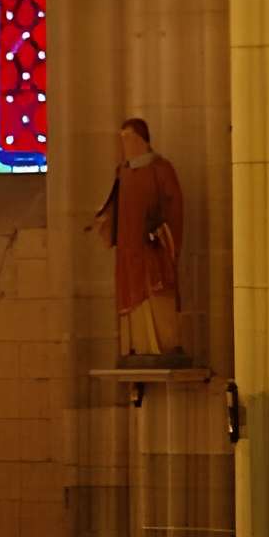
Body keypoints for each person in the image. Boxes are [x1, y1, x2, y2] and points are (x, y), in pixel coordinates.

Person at [91, 116, 185, 360]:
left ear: (143, 140)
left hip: (152, 246)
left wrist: (160, 229)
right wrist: (105, 220)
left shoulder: (161, 169)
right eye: (122, 140)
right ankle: (137, 348)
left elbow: (174, 206)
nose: (126, 146)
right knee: (132, 295)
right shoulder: (122, 172)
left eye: (130, 139)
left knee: (156, 292)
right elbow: (116, 204)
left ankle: (165, 346)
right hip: (128, 248)